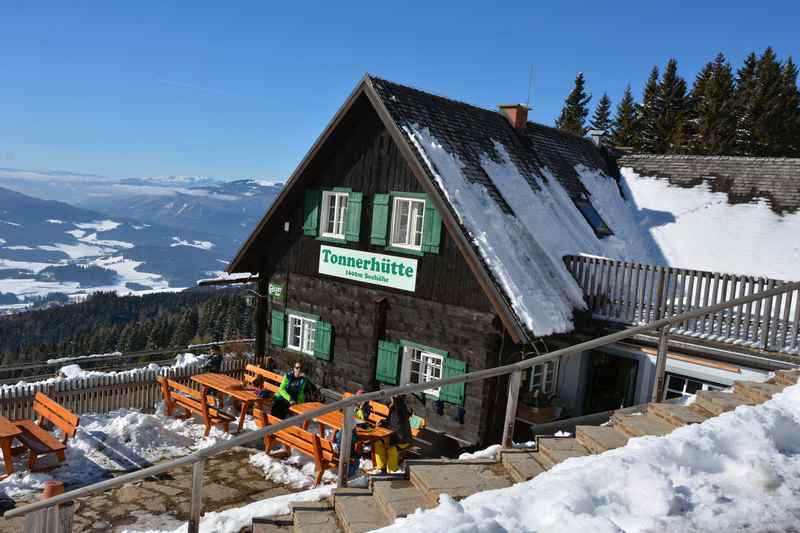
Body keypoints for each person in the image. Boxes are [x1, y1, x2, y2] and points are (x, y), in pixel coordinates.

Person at [370, 395, 412, 474]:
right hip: (394, 437)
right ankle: (381, 467)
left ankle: (392, 471)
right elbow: (391, 422)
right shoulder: (394, 409)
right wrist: (382, 423)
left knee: (391, 449)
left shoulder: (400, 410)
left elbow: (396, 424)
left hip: (403, 441)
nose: (390, 402)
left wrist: (396, 400)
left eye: (392, 399)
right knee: (378, 443)